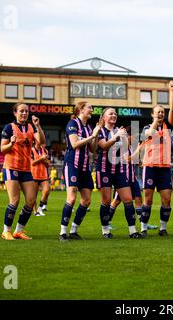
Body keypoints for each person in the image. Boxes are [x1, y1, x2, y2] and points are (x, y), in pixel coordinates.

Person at [0, 103, 45, 240]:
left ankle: (18, 231)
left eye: (26, 111)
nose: (24, 113)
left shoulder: (31, 127)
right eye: (21, 111)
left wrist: (37, 125)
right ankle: (6, 231)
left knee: (31, 201)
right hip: (11, 167)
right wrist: (11, 143)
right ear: (15, 113)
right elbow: (2, 149)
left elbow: (41, 142)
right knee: (15, 200)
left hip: (26, 169)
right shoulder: (9, 127)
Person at [96, 108, 142, 239]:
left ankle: (133, 231)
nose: (114, 115)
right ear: (104, 117)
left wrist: (124, 137)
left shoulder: (119, 131)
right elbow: (104, 146)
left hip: (119, 169)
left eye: (115, 113)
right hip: (104, 169)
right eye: (110, 113)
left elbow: (125, 150)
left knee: (128, 199)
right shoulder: (100, 131)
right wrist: (117, 137)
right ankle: (105, 231)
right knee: (106, 201)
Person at [58, 100, 101, 241]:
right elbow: (75, 143)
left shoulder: (88, 127)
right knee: (71, 197)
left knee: (87, 200)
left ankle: (73, 230)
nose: (92, 109)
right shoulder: (72, 124)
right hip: (72, 165)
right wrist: (93, 136)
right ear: (81, 110)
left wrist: (96, 133)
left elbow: (93, 150)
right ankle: (62, 232)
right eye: (90, 107)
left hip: (84, 167)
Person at [140, 80, 173, 237]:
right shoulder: (147, 127)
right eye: (158, 112)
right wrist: (155, 120)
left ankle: (163, 228)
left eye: (162, 112)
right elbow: (148, 135)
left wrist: (172, 91)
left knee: (167, 199)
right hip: (150, 166)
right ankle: (143, 227)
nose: (161, 114)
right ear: (152, 114)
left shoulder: (168, 126)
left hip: (164, 168)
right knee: (148, 200)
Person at [108, 128, 157, 232]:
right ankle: (107, 222)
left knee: (138, 199)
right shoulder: (123, 146)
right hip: (123, 178)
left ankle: (143, 222)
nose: (135, 138)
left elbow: (132, 161)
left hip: (132, 178)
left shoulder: (130, 147)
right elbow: (127, 159)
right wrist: (139, 148)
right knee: (116, 201)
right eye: (133, 135)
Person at [31, 142, 51, 216]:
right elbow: (32, 163)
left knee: (47, 191)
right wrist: (41, 159)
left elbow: (48, 164)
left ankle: (40, 208)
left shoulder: (45, 151)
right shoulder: (31, 150)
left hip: (44, 175)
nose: (44, 144)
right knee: (34, 195)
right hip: (34, 175)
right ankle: (35, 211)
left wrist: (45, 160)